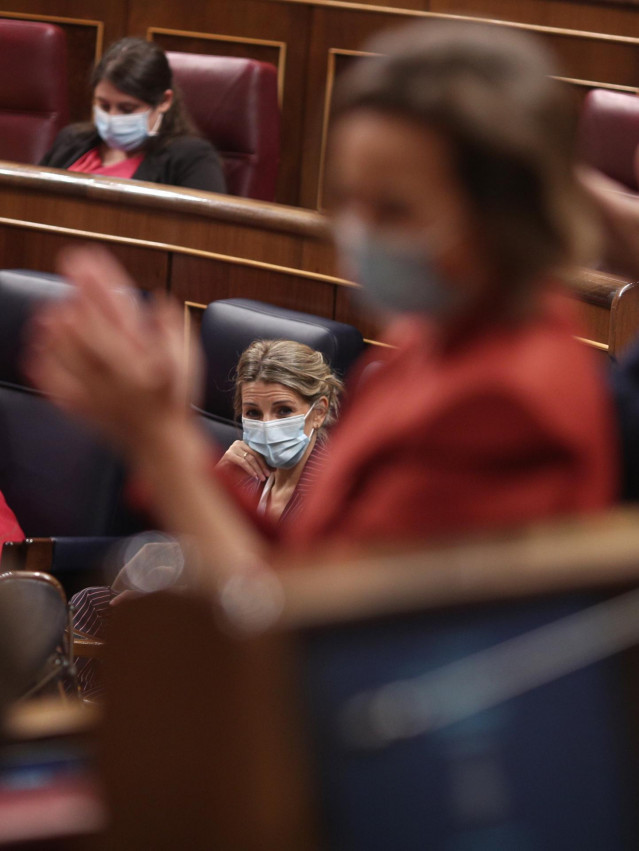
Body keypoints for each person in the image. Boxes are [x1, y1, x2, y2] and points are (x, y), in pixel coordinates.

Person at [28, 21, 616, 583]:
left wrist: (160, 440)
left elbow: (304, 629)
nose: (356, 241)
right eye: (349, 203)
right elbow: (312, 557)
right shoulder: (432, 338)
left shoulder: (503, 402)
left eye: (394, 211)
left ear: (503, 217)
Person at [40, 37, 226, 193]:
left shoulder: (192, 158)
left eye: (127, 109)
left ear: (164, 101)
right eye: (104, 106)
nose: (112, 118)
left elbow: (205, 232)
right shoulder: (70, 140)